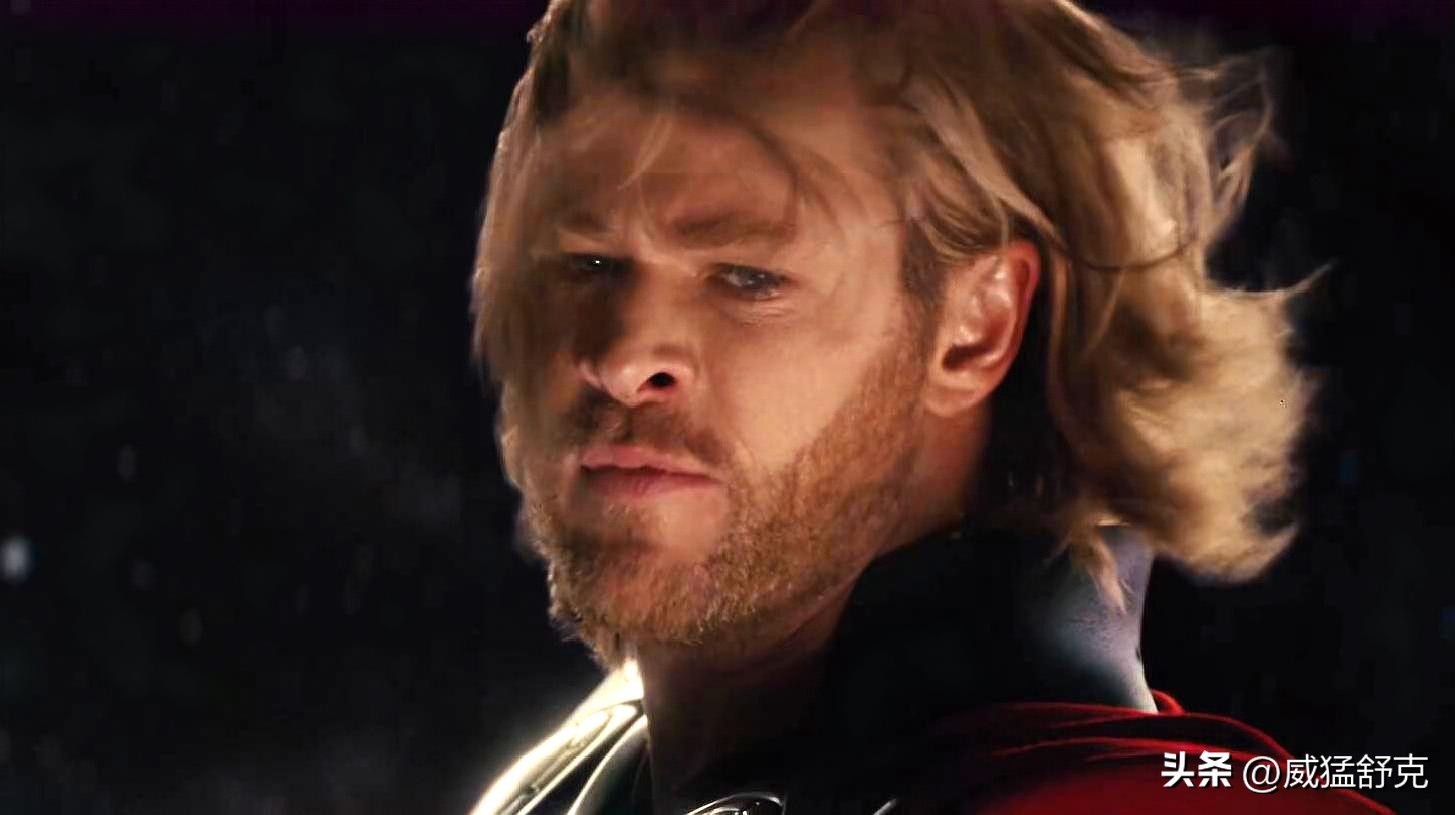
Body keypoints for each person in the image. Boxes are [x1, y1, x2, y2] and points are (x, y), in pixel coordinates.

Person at [466, 1, 1392, 812]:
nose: (622, 357)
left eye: (747, 277)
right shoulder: (565, 781)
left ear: (975, 327)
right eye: (587, 261)